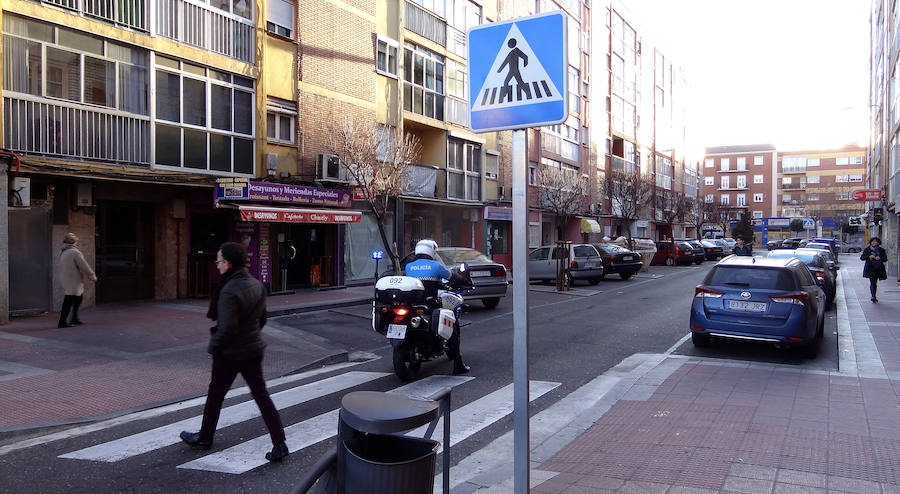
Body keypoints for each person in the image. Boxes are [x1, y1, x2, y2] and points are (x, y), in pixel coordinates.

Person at [180, 242, 289, 462]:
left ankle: (205, 438)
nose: (217, 265)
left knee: (216, 395)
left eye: (219, 261)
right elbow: (263, 319)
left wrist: (214, 346)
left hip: (230, 353)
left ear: (228, 264)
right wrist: (250, 336)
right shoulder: (256, 284)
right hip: (253, 349)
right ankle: (280, 443)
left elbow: (227, 327)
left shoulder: (228, 290)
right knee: (261, 395)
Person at [405, 239, 471, 375]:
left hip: (413, 305)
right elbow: (453, 277)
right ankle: (458, 364)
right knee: (451, 325)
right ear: (431, 251)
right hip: (431, 304)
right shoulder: (435, 266)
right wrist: (464, 281)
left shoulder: (409, 266)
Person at [57, 233, 97, 328]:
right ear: (74, 242)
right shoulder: (75, 252)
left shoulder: (63, 251)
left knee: (78, 297)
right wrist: (92, 276)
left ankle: (74, 318)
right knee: (69, 300)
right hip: (74, 279)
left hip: (66, 278)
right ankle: (62, 322)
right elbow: (84, 266)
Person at [861, 237, 888, 303]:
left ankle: (873, 295)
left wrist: (880, 257)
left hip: (879, 269)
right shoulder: (867, 249)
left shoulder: (881, 250)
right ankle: (873, 296)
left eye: (875, 241)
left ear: (878, 242)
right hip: (870, 269)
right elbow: (862, 258)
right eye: (872, 241)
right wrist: (869, 257)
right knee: (873, 283)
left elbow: (885, 259)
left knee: (875, 283)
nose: (874, 243)